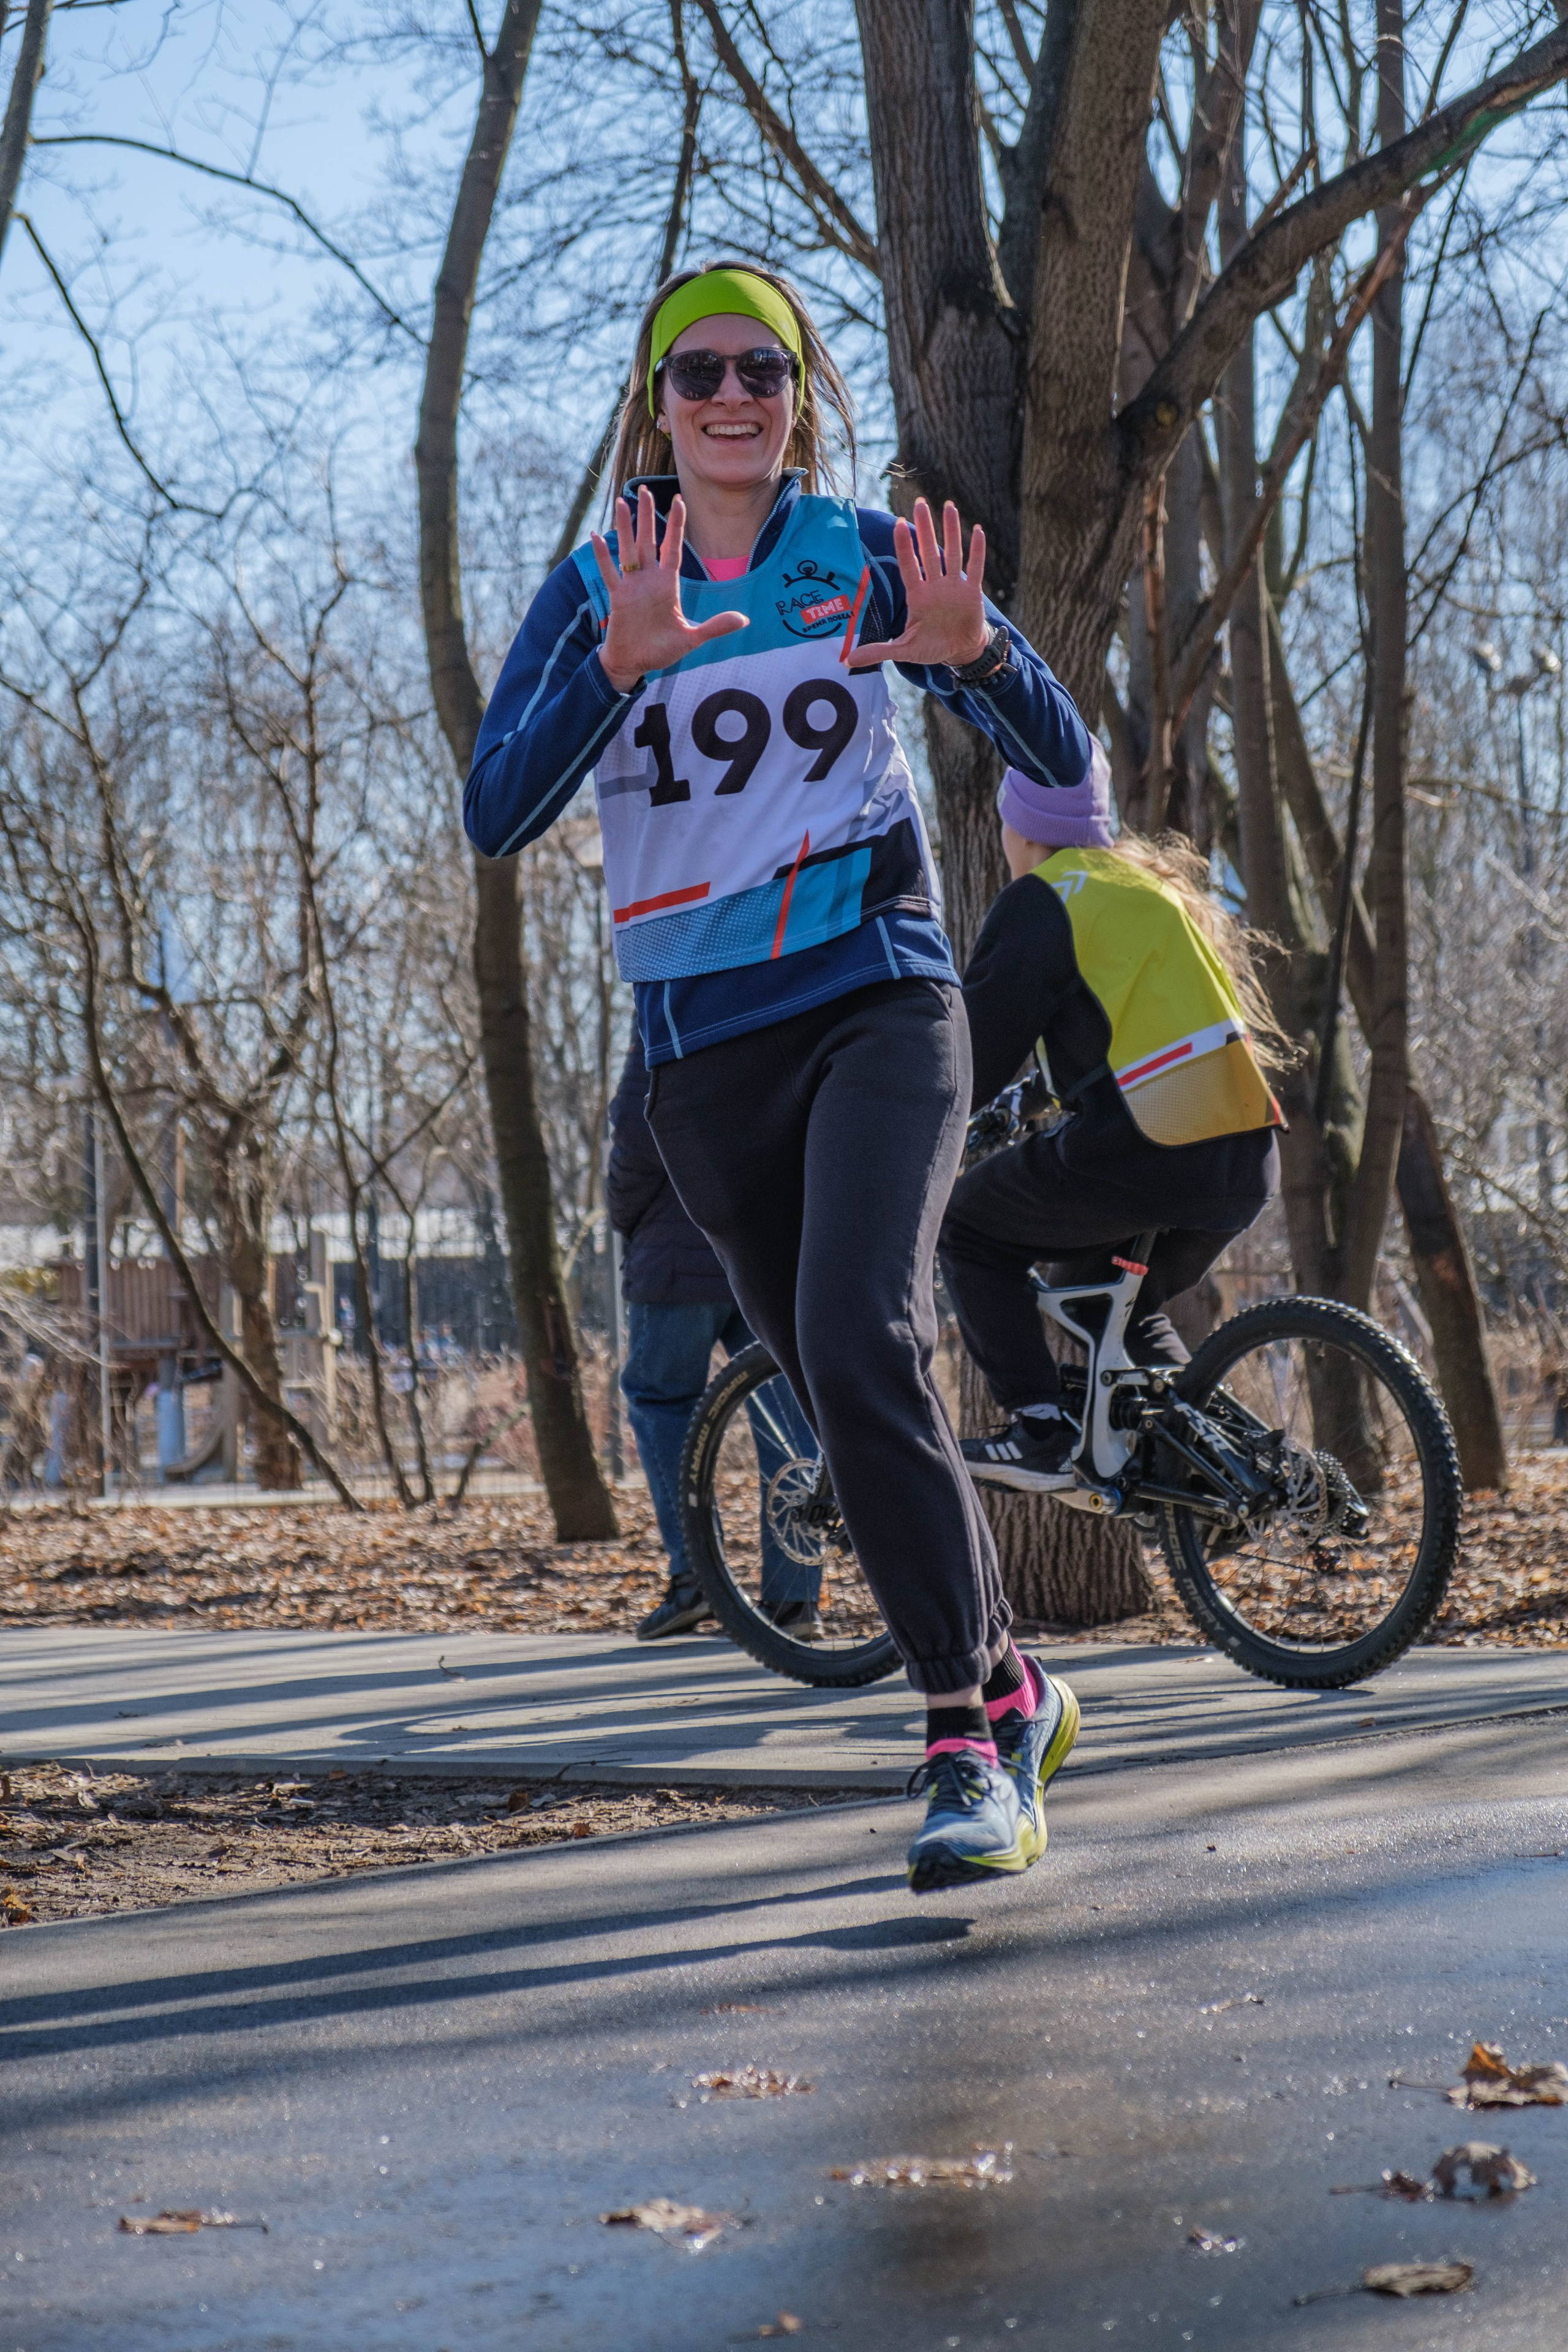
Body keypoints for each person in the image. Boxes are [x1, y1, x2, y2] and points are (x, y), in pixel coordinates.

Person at [464, 259, 1084, 1893]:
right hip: (698, 1051)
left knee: (854, 1332)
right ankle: (1017, 1681)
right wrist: (615, 671)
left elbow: (1064, 755)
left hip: (877, 993)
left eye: (765, 369)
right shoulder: (606, 581)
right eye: (700, 374)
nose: (734, 397)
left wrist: (967, 662)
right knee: (836, 1399)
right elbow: (492, 814)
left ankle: (961, 1742)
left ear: (801, 395)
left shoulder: (862, 557)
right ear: (656, 409)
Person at [941, 755, 1284, 1490]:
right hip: (1241, 1152)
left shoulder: (1044, 899)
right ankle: (1217, 1475)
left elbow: (973, 1055)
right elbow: (1121, 1042)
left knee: (966, 1227)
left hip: (1145, 1148)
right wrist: (1029, 1103)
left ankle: (1036, 1426)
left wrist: (919, 1121)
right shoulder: (1148, 889)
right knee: (1100, 1303)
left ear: (1020, 828)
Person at [608, 1031, 821, 1642]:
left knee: (660, 1399)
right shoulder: (779, 1007)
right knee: (788, 1414)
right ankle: (796, 1597)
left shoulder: (665, 1011)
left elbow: (634, 1127)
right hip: (768, 1250)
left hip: (676, 1257)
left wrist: (630, 1218)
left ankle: (696, 1579)